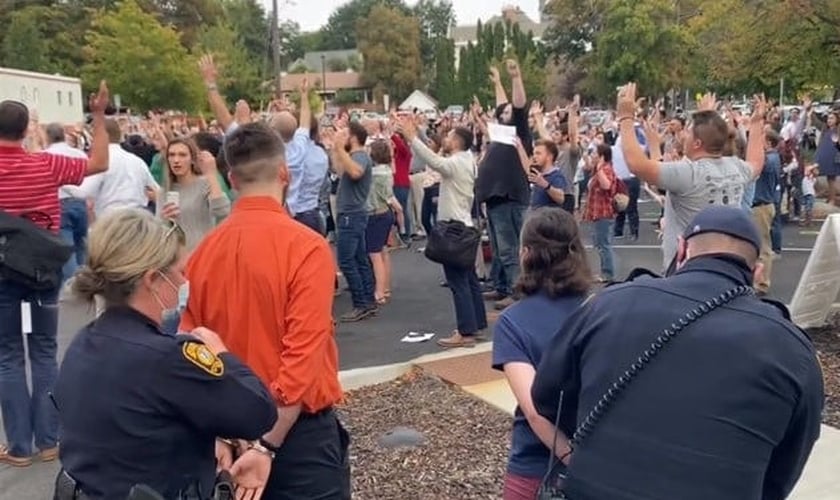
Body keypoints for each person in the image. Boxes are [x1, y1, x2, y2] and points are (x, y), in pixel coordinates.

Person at [532, 205, 824, 500]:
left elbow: (547, 396)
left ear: (681, 250)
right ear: (756, 271)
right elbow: (783, 468)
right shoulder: (791, 350)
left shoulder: (607, 305)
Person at [53, 209, 277, 499]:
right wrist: (222, 355)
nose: (184, 283)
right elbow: (258, 412)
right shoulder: (166, 359)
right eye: (180, 272)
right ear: (152, 279)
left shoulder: (84, 345)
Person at [181, 123, 349, 499]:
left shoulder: (203, 253)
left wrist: (219, 432)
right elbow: (302, 357)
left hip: (229, 429)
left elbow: (191, 350)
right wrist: (266, 446)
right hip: (296, 436)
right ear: (285, 173)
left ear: (231, 179)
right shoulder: (306, 247)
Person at [0, 82, 110, 467]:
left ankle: (18, 446)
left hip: (1, 271)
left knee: (8, 356)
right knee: (45, 351)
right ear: (26, 130)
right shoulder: (46, 164)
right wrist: (97, 115)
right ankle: (49, 440)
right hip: (41, 270)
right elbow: (98, 163)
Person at [492, 207, 591, 499]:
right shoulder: (599, 309)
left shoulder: (513, 322)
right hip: (600, 457)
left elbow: (536, 413)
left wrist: (573, 460)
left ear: (525, 253)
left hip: (537, 466)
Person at [618, 83, 767, 271]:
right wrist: (755, 124)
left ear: (697, 143)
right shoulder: (735, 167)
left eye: (688, 132)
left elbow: (636, 164)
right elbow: (756, 162)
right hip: (727, 265)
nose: (683, 136)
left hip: (688, 268)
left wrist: (625, 116)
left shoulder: (689, 173)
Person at [400, 116, 487, 348]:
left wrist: (412, 139)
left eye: (449, 137)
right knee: (468, 280)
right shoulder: (468, 159)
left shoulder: (457, 162)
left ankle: (466, 331)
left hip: (454, 228)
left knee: (458, 281)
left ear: (457, 142)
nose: (445, 139)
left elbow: (435, 162)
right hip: (464, 224)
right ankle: (476, 324)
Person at [476, 59, 531, 311]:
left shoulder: (517, 130)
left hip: (511, 197)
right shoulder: (500, 133)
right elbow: (502, 105)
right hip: (496, 198)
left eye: (507, 112)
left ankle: (516, 291)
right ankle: (502, 286)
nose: (504, 113)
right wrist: (498, 82)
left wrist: (515, 77)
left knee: (512, 249)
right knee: (500, 250)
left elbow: (518, 104)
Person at [328, 122, 376, 322]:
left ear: (353, 137)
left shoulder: (361, 156)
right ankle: (368, 300)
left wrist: (340, 148)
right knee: (359, 258)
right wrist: (335, 149)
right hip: (352, 214)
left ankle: (361, 303)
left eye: (345, 134)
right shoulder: (354, 157)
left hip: (352, 214)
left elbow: (355, 172)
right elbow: (341, 171)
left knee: (347, 260)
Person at [45, 123, 92, 282]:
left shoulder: (46, 156)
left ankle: (72, 289)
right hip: (80, 203)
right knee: (81, 247)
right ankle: (86, 285)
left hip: (60, 205)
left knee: (67, 252)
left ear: (48, 137)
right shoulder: (79, 154)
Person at [514, 139, 567, 210]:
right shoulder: (538, 173)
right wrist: (519, 146)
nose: (534, 156)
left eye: (538, 153)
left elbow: (561, 199)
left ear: (549, 156)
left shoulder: (556, 175)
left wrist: (545, 185)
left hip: (547, 218)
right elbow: (527, 167)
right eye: (534, 153)